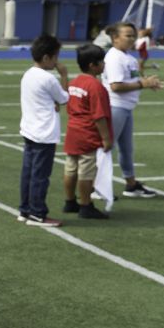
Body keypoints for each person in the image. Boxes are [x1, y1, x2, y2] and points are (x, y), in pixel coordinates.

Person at [103, 22, 164, 198]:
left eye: (133, 35)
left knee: (126, 149)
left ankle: (131, 184)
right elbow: (115, 86)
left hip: (125, 108)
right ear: (115, 38)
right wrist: (142, 84)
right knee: (106, 148)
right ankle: (96, 186)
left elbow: (133, 78)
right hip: (115, 106)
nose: (132, 39)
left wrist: (148, 83)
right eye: (128, 35)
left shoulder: (127, 57)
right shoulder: (115, 57)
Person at [17, 34, 70, 227]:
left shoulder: (28, 74)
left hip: (30, 129)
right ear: (47, 58)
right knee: (40, 176)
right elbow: (64, 98)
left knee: (28, 173)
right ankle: (38, 214)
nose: (57, 62)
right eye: (56, 57)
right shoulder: (48, 78)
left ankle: (25, 210)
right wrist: (64, 75)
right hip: (44, 133)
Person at [61, 44, 113, 219]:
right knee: (86, 171)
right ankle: (85, 204)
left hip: (73, 131)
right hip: (87, 134)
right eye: (102, 62)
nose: (104, 65)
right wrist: (106, 138)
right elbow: (99, 116)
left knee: (70, 168)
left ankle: (69, 201)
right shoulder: (96, 87)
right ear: (93, 65)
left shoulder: (74, 82)